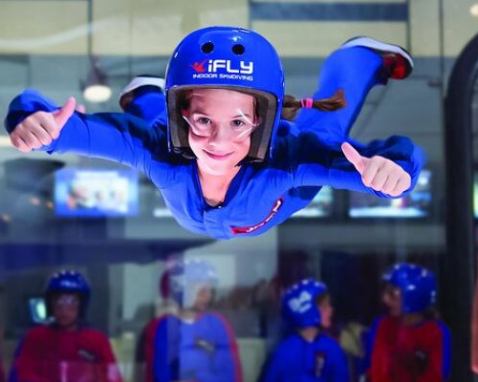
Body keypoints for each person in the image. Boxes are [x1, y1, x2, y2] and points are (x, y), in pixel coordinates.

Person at [5, 27, 425, 240]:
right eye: (204, 120)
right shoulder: (163, 147)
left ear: (262, 121)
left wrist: (393, 171)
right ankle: (151, 97)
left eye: (238, 123)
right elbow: (81, 131)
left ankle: (356, 58)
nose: (219, 143)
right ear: (183, 111)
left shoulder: (289, 156)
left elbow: (386, 162)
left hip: (282, 200)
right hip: (211, 190)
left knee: (329, 130)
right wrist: (35, 122)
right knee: (160, 131)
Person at [140, 259, 242, 382]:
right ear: (182, 289)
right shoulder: (162, 327)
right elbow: (160, 373)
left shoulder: (218, 325)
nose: (208, 295)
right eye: (201, 290)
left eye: (210, 289)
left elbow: (229, 373)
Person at [11, 270, 122, 382]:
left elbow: (112, 376)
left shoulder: (96, 339)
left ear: (82, 304)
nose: (64, 309)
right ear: (50, 304)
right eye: (58, 300)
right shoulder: (36, 337)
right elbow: (22, 374)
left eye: (71, 301)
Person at [365, 263, 451, 382]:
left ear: (414, 296)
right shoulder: (382, 325)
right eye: (385, 293)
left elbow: (436, 376)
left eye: (392, 294)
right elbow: (377, 372)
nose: (384, 299)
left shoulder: (438, 333)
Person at [262, 278, 348, 381]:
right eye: (324, 306)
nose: (331, 310)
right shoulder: (283, 352)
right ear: (306, 309)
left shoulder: (332, 349)